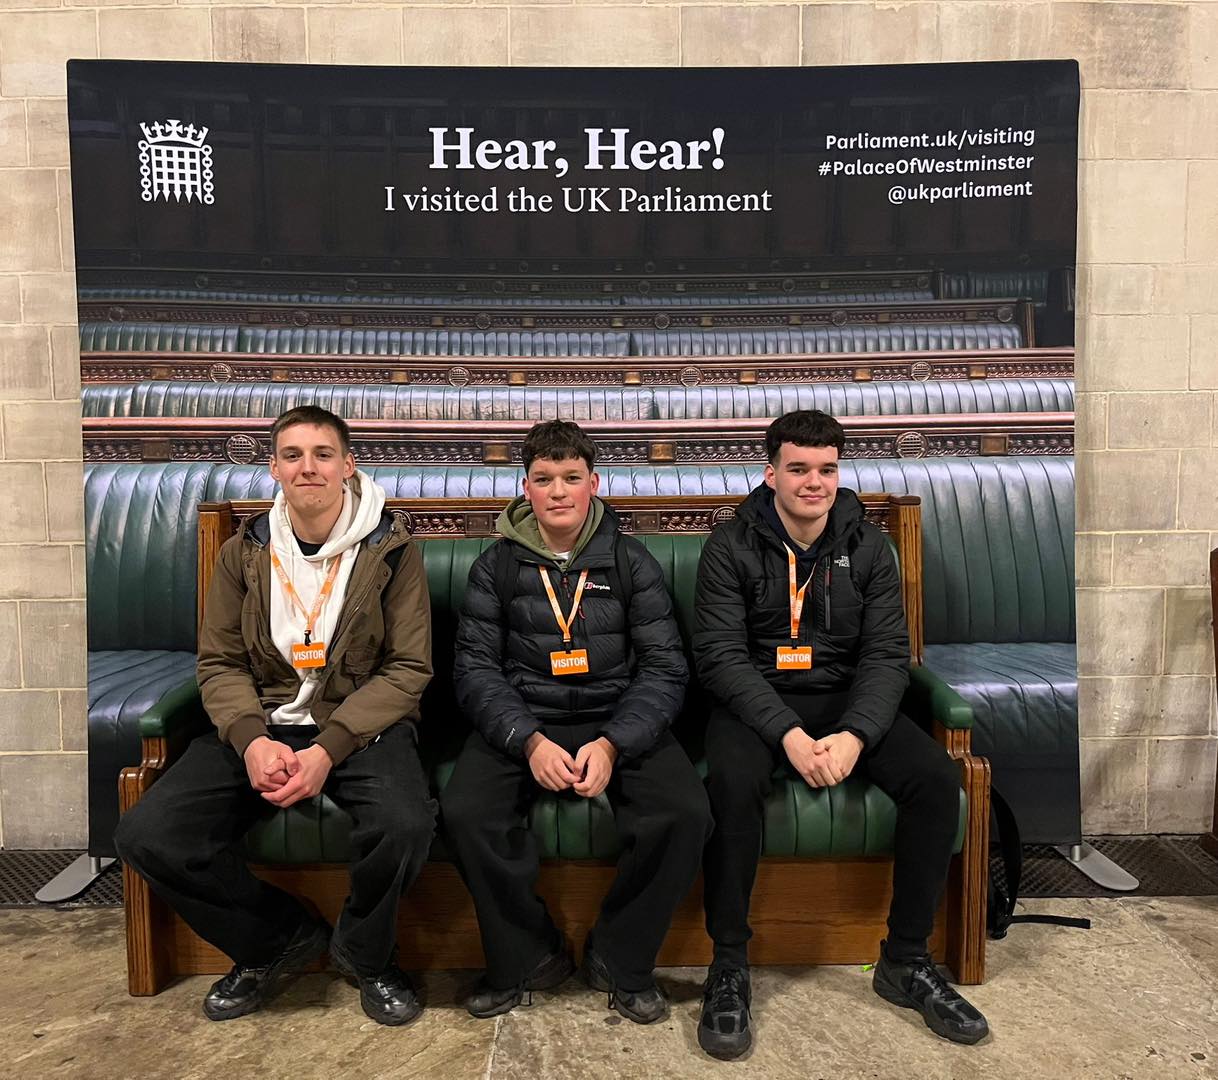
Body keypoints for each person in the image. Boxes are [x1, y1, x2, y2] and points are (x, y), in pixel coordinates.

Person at [115, 405, 436, 1027]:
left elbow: (407, 670)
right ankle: (275, 940)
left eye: (322, 454)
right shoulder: (243, 552)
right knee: (145, 834)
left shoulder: (393, 550)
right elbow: (219, 663)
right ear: (274, 468)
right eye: (293, 455)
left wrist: (328, 750)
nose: (307, 467)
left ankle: (367, 956)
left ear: (348, 466)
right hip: (263, 719)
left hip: (359, 723)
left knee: (404, 824)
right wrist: (252, 741)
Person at [692, 409, 989, 1057]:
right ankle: (730, 965)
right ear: (770, 473)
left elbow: (887, 655)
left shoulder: (868, 545)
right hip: (755, 707)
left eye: (827, 469)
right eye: (798, 468)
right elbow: (720, 659)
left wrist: (855, 734)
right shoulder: (730, 545)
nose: (814, 482)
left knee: (939, 779)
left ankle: (905, 961)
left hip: (848, 704)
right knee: (732, 781)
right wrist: (789, 736)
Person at [442, 419, 711, 1023]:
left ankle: (621, 959)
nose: (558, 491)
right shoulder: (496, 567)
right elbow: (476, 672)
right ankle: (526, 956)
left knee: (686, 813)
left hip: (616, 716)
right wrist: (528, 741)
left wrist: (615, 743)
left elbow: (666, 667)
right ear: (525, 488)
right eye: (543, 479)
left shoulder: (631, 561)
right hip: (525, 716)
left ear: (594, 482)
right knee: (464, 812)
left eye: (570, 478)